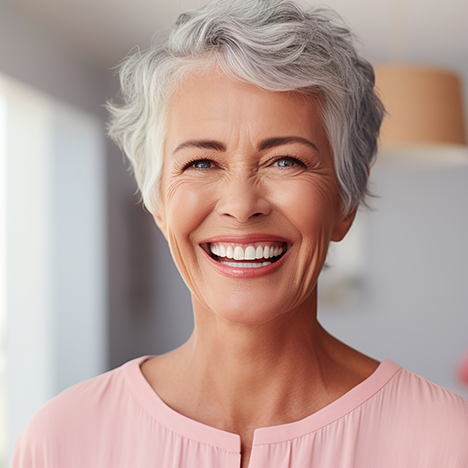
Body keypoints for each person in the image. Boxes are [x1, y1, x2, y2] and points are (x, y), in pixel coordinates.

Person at [13, 0, 468, 467]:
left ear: (346, 201)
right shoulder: (62, 440)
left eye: (285, 160)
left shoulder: (449, 443)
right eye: (202, 163)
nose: (241, 205)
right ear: (158, 202)